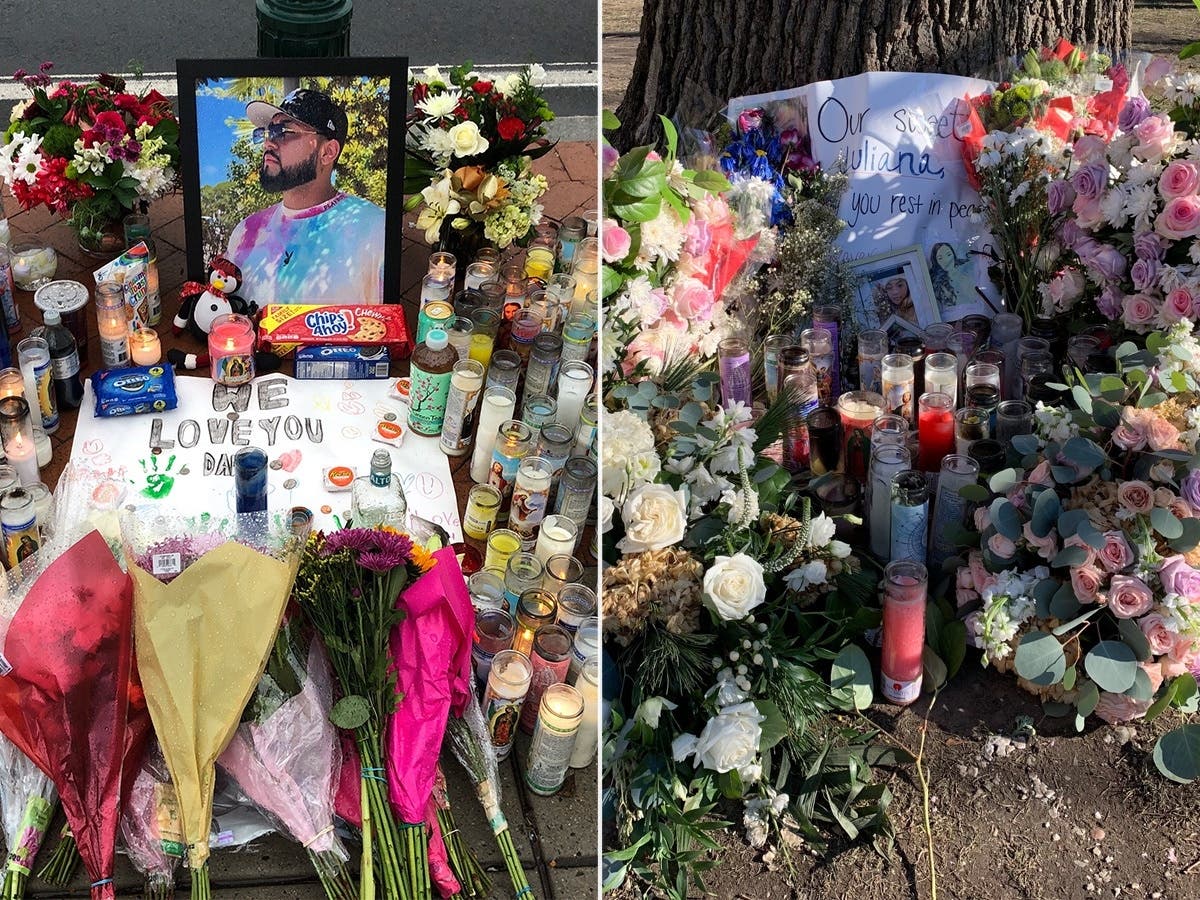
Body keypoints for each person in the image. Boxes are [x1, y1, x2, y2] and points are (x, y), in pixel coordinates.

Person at [226, 88, 386, 306]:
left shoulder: (373, 228)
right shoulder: (246, 231)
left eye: (282, 131)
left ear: (328, 152)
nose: (268, 143)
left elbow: (388, 327)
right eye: (268, 132)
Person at [929, 242, 974, 312]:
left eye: (949, 255)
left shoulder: (967, 267)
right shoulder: (940, 284)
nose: (946, 261)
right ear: (936, 262)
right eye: (940, 258)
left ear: (953, 254)